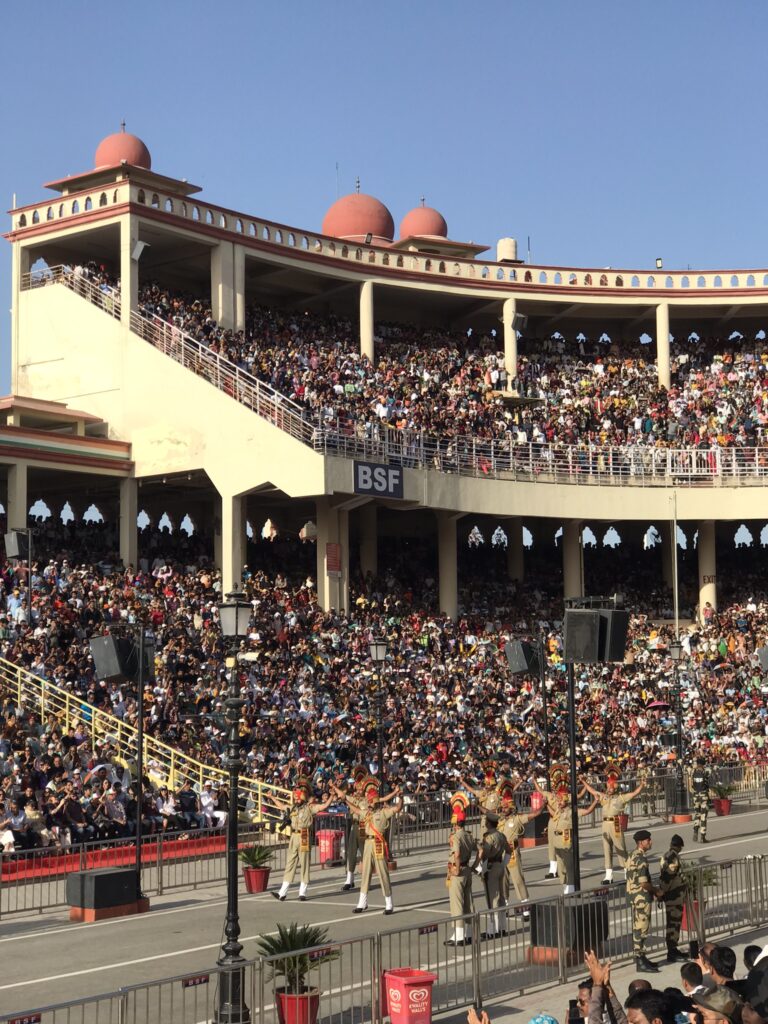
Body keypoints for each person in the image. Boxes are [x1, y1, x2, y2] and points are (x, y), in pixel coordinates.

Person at [331, 766, 398, 892]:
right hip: (355, 825)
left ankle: (366, 881)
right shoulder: (354, 798)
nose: (358, 787)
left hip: (366, 827)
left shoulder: (369, 801)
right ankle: (349, 880)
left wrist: (395, 793)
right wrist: (333, 787)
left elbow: (383, 799)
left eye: (360, 785)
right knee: (350, 853)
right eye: (357, 784)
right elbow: (343, 796)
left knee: (365, 854)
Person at [272, 776, 333, 902]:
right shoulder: (293, 808)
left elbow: (323, 806)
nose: (296, 798)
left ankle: (302, 892)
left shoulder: (310, 808)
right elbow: (282, 806)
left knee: (304, 864)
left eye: (298, 796)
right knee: (290, 863)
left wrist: (331, 796)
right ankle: (282, 893)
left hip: (304, 835)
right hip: (294, 836)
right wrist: (271, 797)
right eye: (296, 796)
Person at [534, 767, 592, 895]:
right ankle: (553, 869)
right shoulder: (550, 795)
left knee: (567, 859)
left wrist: (585, 783)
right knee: (552, 846)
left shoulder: (568, 797)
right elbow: (540, 791)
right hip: (553, 821)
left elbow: (580, 796)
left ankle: (569, 884)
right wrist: (534, 780)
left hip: (565, 825)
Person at [581, 768, 646, 883]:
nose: (609, 789)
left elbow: (634, 793)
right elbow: (591, 790)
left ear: (615, 788)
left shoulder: (621, 798)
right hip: (605, 824)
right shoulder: (603, 796)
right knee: (606, 849)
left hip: (615, 823)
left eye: (611, 787)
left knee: (620, 848)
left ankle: (627, 873)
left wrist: (641, 784)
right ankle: (609, 876)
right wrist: (583, 782)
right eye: (608, 787)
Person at [350, 776, 402, 915]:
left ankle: (389, 903)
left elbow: (397, 808)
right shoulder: (367, 813)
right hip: (367, 843)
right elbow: (356, 810)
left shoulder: (384, 812)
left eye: (370, 801)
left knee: (383, 872)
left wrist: (400, 797)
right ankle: (362, 902)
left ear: (375, 801)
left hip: (378, 842)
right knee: (365, 872)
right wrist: (345, 801)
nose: (369, 803)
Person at [495, 777, 544, 915]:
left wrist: (543, 805)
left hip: (512, 852)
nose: (503, 809)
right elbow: (488, 812)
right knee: (502, 880)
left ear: (511, 808)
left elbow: (534, 814)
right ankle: (504, 906)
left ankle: (525, 907)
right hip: (501, 853)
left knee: (518, 879)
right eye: (502, 807)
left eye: (506, 807)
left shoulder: (517, 819)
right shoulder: (499, 820)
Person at [625, 829, 662, 973]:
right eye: (648, 840)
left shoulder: (632, 855)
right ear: (641, 842)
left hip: (634, 897)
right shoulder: (641, 859)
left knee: (637, 928)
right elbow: (643, 883)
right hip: (641, 897)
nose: (650, 842)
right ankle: (640, 961)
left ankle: (642, 958)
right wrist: (656, 891)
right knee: (642, 929)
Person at [444, 792, 478, 946]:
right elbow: (481, 850)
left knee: (457, 904)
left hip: (457, 871)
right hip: (467, 869)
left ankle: (459, 936)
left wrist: (456, 869)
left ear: (456, 822)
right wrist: (474, 866)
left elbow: (456, 854)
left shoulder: (456, 836)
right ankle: (469, 934)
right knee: (468, 902)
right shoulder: (469, 835)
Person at [478, 811, 509, 938]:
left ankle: (493, 930)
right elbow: (509, 850)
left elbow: (485, 854)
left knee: (492, 899)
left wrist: (481, 870)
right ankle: (502, 927)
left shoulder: (489, 838)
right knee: (501, 897)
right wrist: (503, 864)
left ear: (488, 823)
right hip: (499, 865)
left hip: (490, 866)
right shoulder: (501, 835)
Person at [657, 833, 688, 963]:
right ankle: (671, 952)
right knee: (673, 924)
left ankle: (674, 949)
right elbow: (668, 877)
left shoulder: (666, 855)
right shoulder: (672, 858)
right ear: (679, 847)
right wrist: (661, 893)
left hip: (673, 895)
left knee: (674, 924)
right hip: (673, 896)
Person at [691, 758, 712, 843]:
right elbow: (711, 774)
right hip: (703, 796)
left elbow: (691, 783)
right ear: (703, 764)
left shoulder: (693, 772)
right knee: (703, 816)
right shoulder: (705, 772)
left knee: (697, 814)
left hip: (695, 795)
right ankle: (702, 836)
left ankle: (695, 830)